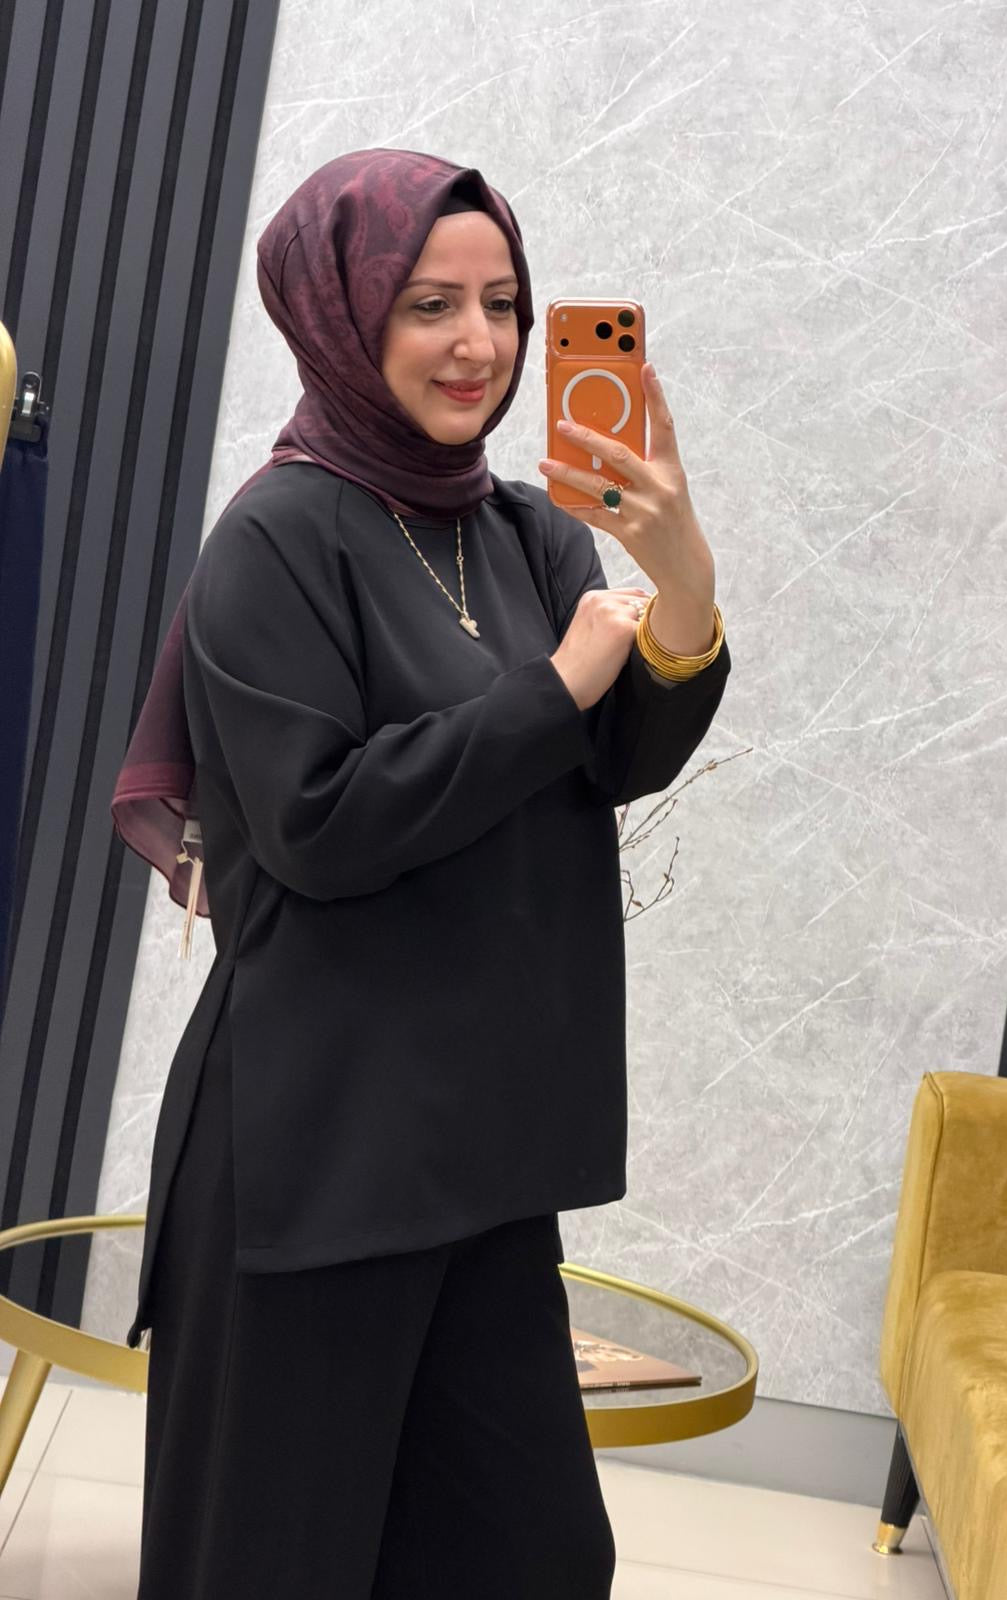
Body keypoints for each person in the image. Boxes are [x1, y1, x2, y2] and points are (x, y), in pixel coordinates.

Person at [110, 147, 730, 1599]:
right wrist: (553, 687)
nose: (481, 344)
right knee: (277, 1563)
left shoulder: (528, 533)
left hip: (483, 1153)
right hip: (320, 1152)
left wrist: (683, 581)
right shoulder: (277, 538)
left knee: (534, 1558)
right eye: (430, 305)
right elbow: (318, 824)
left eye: (503, 303)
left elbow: (618, 752)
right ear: (342, 315)